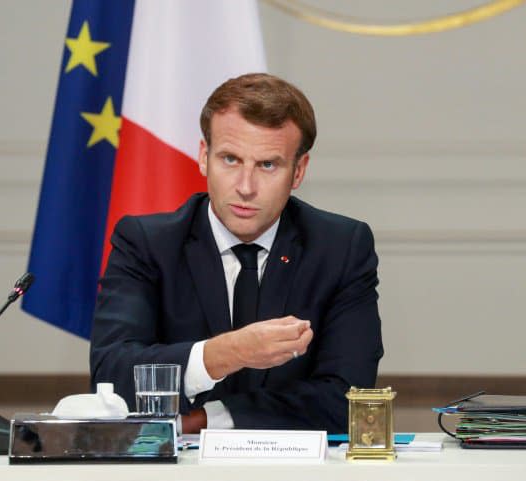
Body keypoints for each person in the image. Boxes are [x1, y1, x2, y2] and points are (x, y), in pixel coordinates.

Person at [90, 73, 383, 434]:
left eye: (268, 165)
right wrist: (226, 353)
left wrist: (206, 419)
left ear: (298, 171)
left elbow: (349, 398)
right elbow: (112, 376)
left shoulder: (340, 247)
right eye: (230, 159)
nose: (245, 187)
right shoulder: (147, 243)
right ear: (203, 157)